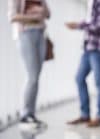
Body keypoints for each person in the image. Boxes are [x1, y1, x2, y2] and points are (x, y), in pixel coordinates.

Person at [65, 0, 100, 127]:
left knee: (99, 80)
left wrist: (78, 25)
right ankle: (85, 115)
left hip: (98, 46)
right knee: (79, 78)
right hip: (89, 46)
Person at [8, 0, 50, 130]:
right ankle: (25, 114)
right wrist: (32, 17)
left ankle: (31, 114)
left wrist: (43, 12)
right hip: (25, 34)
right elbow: (12, 16)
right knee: (32, 76)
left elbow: (48, 14)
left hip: (40, 34)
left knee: (36, 77)